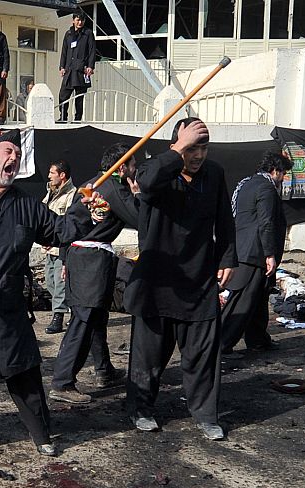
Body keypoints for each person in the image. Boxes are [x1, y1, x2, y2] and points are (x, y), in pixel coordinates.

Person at [0, 129, 98, 457]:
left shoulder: (26, 205)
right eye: (8, 152)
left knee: (23, 372)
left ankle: (42, 436)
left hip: (6, 307)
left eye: (18, 156)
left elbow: (60, 231)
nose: (14, 158)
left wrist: (83, 207)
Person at [124, 118, 236, 440]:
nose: (198, 155)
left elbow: (224, 219)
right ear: (177, 145)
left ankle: (205, 414)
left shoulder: (214, 174)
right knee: (149, 356)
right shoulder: (156, 171)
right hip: (158, 281)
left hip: (198, 278)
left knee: (203, 354)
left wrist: (227, 257)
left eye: (203, 147)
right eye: (192, 147)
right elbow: (146, 183)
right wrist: (177, 150)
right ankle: (141, 408)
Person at [49, 142, 139, 404]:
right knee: (84, 319)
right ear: (122, 167)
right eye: (134, 165)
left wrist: (66, 258)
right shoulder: (113, 187)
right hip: (91, 260)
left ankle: (104, 370)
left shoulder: (94, 183)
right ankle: (63, 381)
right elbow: (139, 217)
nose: (136, 170)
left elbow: (70, 225)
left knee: (96, 317)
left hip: (83, 257)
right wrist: (138, 194)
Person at [220, 152, 291, 357]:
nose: (283, 178)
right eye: (283, 173)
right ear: (275, 170)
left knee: (259, 297)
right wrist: (269, 254)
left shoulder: (247, 184)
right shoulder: (266, 188)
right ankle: (222, 343)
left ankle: (258, 339)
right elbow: (266, 222)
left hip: (244, 247)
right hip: (254, 253)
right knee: (243, 298)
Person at [41, 159, 76, 334]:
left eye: (52, 173)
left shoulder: (72, 195)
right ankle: (73, 312)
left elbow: (68, 224)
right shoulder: (51, 193)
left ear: (62, 175)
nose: (49, 176)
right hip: (49, 247)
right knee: (51, 282)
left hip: (62, 248)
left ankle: (59, 316)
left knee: (60, 283)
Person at [58, 11, 95, 123]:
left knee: (79, 98)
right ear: (73, 20)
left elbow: (92, 50)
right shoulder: (68, 33)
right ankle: (63, 117)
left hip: (81, 69)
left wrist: (90, 66)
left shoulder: (88, 33)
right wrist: (62, 66)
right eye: (78, 20)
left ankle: (77, 119)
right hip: (69, 69)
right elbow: (64, 51)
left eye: (82, 20)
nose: (80, 22)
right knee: (63, 95)